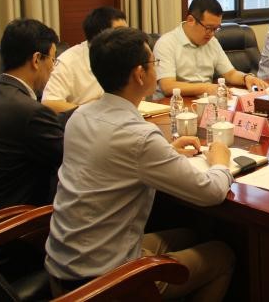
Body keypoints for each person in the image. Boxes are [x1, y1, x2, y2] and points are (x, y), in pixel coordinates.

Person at [45, 27, 235, 299]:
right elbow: (211, 192)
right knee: (222, 254)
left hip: (63, 267)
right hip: (104, 284)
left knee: (190, 234)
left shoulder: (80, 115)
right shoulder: (139, 136)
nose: (156, 68)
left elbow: (112, 158)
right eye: (153, 62)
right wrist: (220, 162)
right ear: (139, 74)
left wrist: (166, 152)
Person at [0, 19, 65, 213]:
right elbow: (70, 157)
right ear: (36, 59)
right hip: (12, 219)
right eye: (53, 59)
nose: (53, 68)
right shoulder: (31, 112)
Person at [154, 0, 268, 95]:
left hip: (207, 101)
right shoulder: (166, 43)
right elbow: (167, 86)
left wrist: (246, 78)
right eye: (208, 28)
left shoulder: (212, 41)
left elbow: (230, 73)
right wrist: (206, 88)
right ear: (190, 20)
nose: (212, 34)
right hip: (176, 103)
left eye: (216, 29)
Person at [42, 6, 127, 112]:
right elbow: (50, 103)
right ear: (102, 34)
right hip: (83, 119)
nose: (126, 37)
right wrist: (90, 114)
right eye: (120, 32)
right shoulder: (68, 61)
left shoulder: (125, 54)